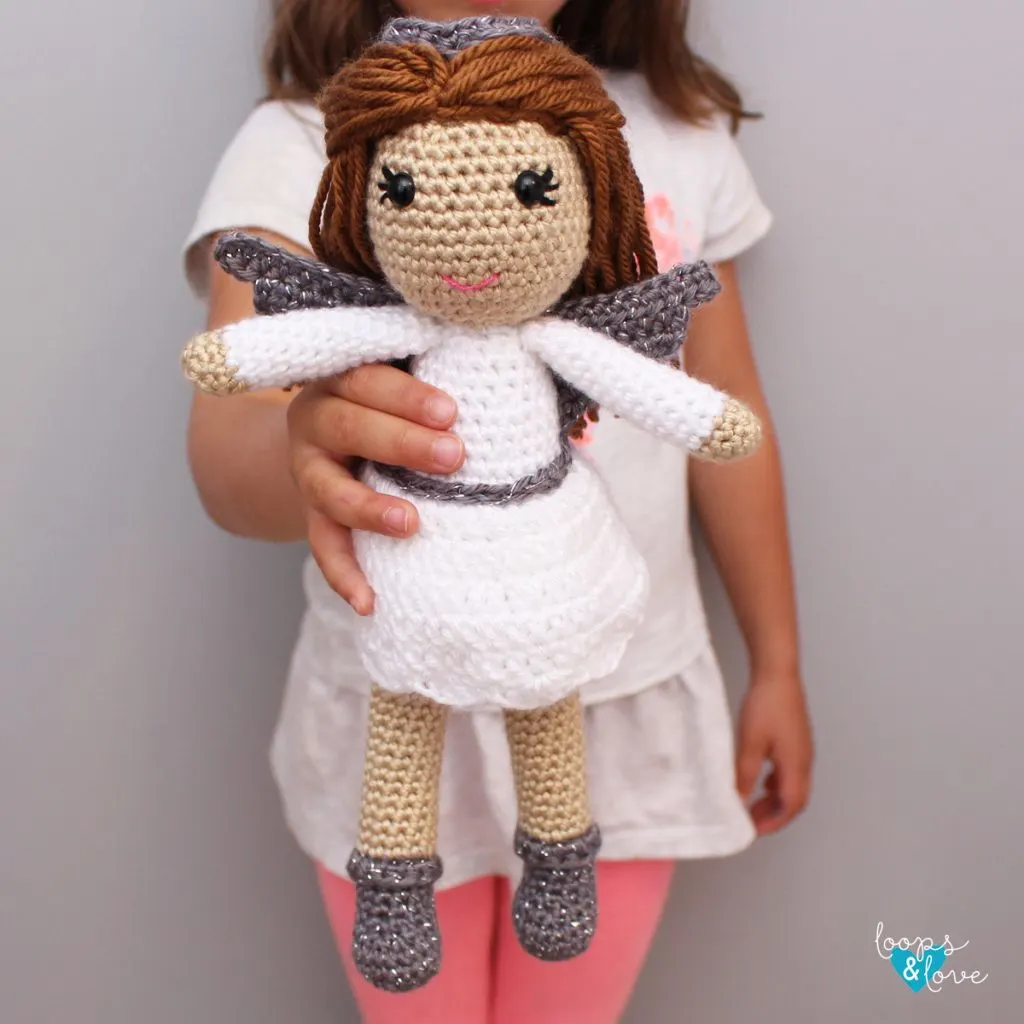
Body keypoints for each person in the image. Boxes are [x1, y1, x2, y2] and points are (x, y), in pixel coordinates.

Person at [182, 2, 815, 1021]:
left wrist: (776, 659)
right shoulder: (307, 138)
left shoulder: (680, 134)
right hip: (397, 682)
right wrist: (305, 444)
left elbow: (725, 411)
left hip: (619, 697)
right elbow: (226, 450)